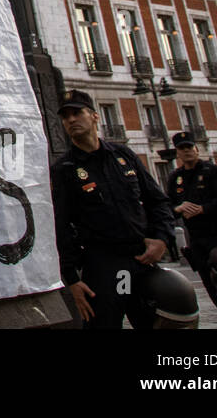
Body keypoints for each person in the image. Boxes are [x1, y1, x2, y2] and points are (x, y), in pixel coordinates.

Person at [51, 91, 174, 328]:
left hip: (142, 259)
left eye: (77, 113)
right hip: (103, 265)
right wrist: (72, 279)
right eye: (65, 117)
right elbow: (60, 225)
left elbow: (157, 201)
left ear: (95, 116)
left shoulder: (124, 156)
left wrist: (161, 238)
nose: (71, 120)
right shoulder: (64, 169)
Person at [166, 133, 217, 329]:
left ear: (196, 149)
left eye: (189, 147)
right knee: (213, 291)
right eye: (182, 148)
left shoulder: (214, 172)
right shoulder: (175, 178)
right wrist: (178, 208)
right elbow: (167, 207)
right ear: (177, 152)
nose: (186, 151)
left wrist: (204, 208)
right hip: (197, 241)